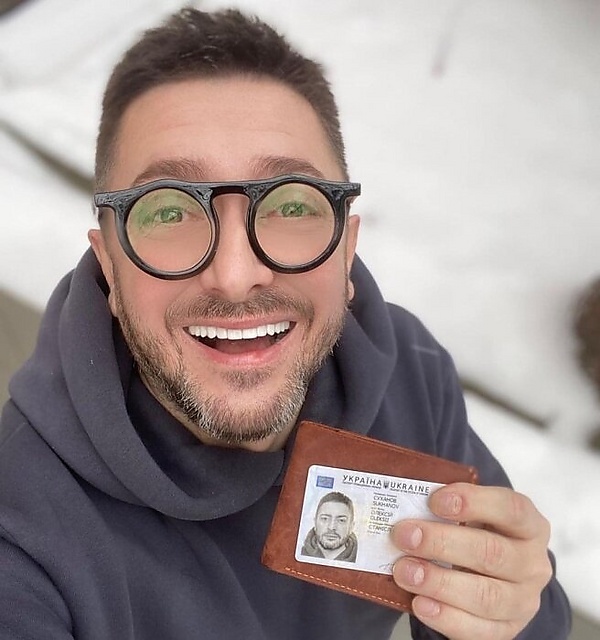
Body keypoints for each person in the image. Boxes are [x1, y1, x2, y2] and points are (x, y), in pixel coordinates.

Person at [0, 7, 571, 640]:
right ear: (109, 263)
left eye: (292, 204)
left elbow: (516, 611)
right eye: (167, 211)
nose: (235, 274)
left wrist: (507, 607)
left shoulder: (407, 373)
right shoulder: (19, 533)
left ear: (347, 249)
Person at [301, 492, 358, 562]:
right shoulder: (296, 553)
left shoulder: (363, 560)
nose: (331, 527)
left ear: (351, 527)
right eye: (325, 519)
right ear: (315, 522)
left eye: (341, 520)